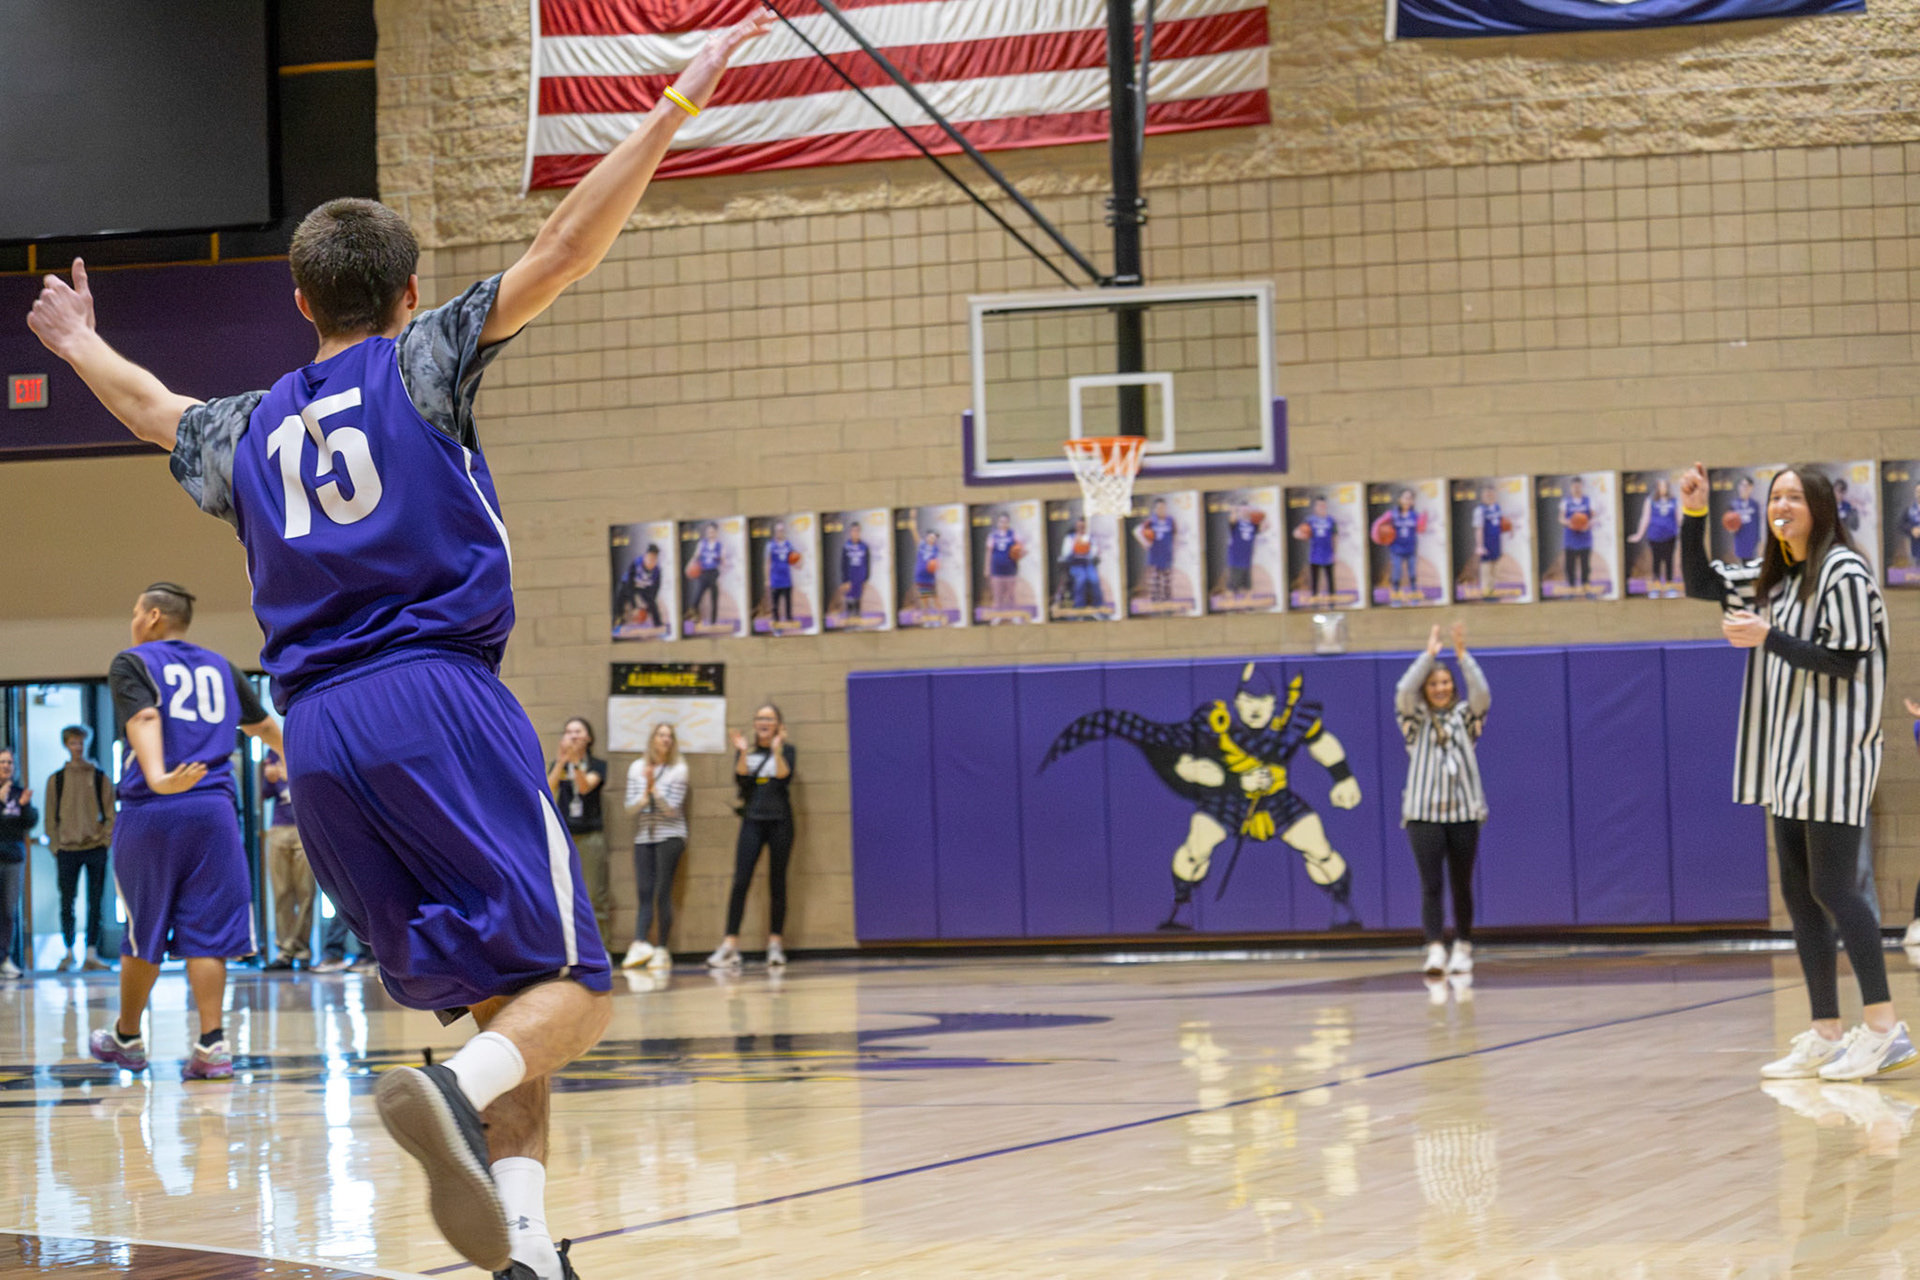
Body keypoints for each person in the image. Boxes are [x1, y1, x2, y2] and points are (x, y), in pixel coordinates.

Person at [26, 15, 773, 1275]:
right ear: (411, 293)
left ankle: (528, 1246)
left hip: (313, 735)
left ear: (300, 298)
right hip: (436, 695)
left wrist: (73, 338)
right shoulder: (423, 359)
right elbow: (563, 247)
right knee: (576, 987)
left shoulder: (247, 426)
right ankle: (450, 1089)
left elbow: (152, 407)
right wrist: (667, 114)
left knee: (505, 990)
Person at [1678, 461, 1913, 1082]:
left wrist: (1767, 636)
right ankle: (1827, 1032)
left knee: (1838, 890)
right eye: (1774, 496)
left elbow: (1842, 659)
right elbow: (1701, 581)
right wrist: (1695, 513)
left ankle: (1887, 1028)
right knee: (1801, 898)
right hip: (1786, 760)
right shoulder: (1772, 576)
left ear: (1818, 507)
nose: (1780, 504)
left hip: (1835, 754)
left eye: (1793, 496)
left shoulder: (1843, 569)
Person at [89, 584, 284, 1081]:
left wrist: (156, 775)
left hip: (154, 809)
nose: (133, 620)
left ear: (153, 616)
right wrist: (308, 770)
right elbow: (266, 729)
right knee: (210, 936)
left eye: (135, 611)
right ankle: (212, 1045)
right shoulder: (221, 666)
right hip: (215, 811)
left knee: (144, 929)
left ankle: (128, 1038)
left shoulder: (133, 661)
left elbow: (145, 715)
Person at [1395, 622, 1491, 976]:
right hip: (1423, 813)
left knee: (1462, 884)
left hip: (1465, 811)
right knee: (1431, 884)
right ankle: (1435, 947)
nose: (1440, 688)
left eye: (1445, 682)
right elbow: (1404, 690)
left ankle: (1463, 945)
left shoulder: (1466, 717)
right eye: (1434, 683)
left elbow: (1482, 693)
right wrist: (1429, 656)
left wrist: (1463, 656)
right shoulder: (1414, 720)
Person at [707, 705, 796, 970]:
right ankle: (730, 945)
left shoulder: (787, 750)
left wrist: (778, 749)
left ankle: (775, 944)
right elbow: (742, 781)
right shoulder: (747, 751)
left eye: (769, 718)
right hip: (753, 821)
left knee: (777, 881)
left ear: (779, 724)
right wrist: (743, 752)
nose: (763, 722)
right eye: (759, 718)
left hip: (780, 821)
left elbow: (783, 777)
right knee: (740, 880)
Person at [45, 724, 115, 972]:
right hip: (66, 849)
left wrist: (105, 840)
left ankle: (91, 953)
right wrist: (55, 844)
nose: (78, 747)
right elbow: (50, 816)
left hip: (95, 847)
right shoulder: (57, 780)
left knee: (95, 901)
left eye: (82, 742)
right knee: (67, 901)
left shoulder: (99, 777)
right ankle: (67, 951)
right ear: (67, 744)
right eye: (74, 742)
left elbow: (110, 814)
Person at [622, 722, 686, 971]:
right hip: (644, 837)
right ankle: (639, 943)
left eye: (669, 736)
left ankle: (662, 949)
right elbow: (630, 808)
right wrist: (644, 797)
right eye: (661, 735)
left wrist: (654, 790)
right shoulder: (637, 767)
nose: (665, 740)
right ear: (652, 739)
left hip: (670, 836)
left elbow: (672, 809)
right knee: (644, 892)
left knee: (663, 891)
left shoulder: (678, 769)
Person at [546, 719, 611, 960]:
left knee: (595, 894)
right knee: (563, 893)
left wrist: (575, 763)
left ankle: (601, 949)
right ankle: (569, 950)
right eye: (569, 731)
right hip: (565, 835)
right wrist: (562, 760)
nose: (573, 736)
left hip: (591, 834)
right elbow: (548, 789)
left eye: (578, 731)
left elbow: (584, 788)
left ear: (589, 738)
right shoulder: (559, 764)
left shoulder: (597, 765)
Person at [260, 747, 317, 970]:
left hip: (305, 828)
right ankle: (285, 950)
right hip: (279, 828)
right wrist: (269, 778)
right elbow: (265, 793)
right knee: (281, 893)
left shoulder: (308, 745)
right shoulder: (272, 751)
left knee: (306, 892)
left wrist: (289, 776)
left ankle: (301, 949)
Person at [0, 750, 36, 979]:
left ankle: (4, 958)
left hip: (14, 857)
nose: (6, 765)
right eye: (2, 762)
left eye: (9, 762)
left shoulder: (19, 792)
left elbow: (30, 822)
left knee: (9, 910)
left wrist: (25, 806)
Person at [1628, 476, 1679, 596]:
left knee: (1669, 561)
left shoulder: (1674, 501)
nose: (1662, 488)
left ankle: (1670, 587)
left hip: (1670, 536)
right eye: (1660, 485)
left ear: (1668, 487)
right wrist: (1639, 534)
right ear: (1657, 487)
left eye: (1664, 485)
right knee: (1656, 561)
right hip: (1654, 536)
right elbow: (1645, 518)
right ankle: (1656, 586)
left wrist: (1685, 533)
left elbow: (1679, 518)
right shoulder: (1650, 500)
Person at [1059, 515, 1104, 612]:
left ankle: (1098, 605)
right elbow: (1065, 553)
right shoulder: (1070, 538)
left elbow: (1095, 551)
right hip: (1075, 565)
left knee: (1094, 580)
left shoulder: (1090, 538)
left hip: (1088, 564)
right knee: (1081, 580)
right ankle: (1079, 605)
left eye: (1083, 526)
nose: (1081, 528)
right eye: (1080, 526)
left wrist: (1091, 554)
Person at [1138, 498, 1175, 604]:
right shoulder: (1150, 521)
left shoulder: (1170, 521)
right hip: (1155, 552)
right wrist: (1146, 543)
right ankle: (1156, 599)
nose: (1161, 509)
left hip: (1166, 552)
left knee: (1167, 577)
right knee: (1156, 577)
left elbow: (1174, 535)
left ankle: (1167, 599)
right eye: (1159, 507)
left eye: (1163, 507)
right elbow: (1137, 531)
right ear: (1155, 509)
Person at [687, 523, 724, 627]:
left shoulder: (719, 545)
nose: (710, 534)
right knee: (697, 597)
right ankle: (695, 617)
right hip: (703, 572)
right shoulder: (702, 543)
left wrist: (722, 562)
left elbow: (723, 560)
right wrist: (689, 565)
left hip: (713, 573)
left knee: (714, 597)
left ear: (716, 532)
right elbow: (696, 556)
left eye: (712, 532)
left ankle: (713, 621)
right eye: (708, 532)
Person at [1560, 477, 1593, 593]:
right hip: (1571, 537)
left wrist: (1587, 524)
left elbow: (1593, 518)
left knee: (1585, 565)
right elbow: (1561, 518)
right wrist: (1570, 523)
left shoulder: (1588, 501)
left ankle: (1585, 587)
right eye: (1574, 486)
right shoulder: (1566, 502)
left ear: (1582, 487)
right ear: (1571, 487)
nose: (1576, 488)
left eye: (1578, 486)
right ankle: (1571, 588)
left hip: (1584, 537)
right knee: (1570, 565)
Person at [985, 512, 1022, 617]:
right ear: (998, 523)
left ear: (1008, 523)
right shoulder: (993, 535)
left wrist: (1019, 554)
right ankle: (996, 616)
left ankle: (1014, 616)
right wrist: (987, 568)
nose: (1003, 523)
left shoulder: (1013, 534)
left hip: (1010, 568)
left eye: (1005, 521)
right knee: (997, 596)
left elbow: (1022, 548)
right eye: (1001, 521)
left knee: (1011, 596)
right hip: (996, 569)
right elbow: (988, 552)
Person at [618, 544, 662, 630]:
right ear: (645, 556)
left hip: (643, 586)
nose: (652, 561)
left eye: (654, 559)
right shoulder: (636, 563)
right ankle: (618, 617)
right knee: (620, 596)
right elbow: (629, 585)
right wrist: (634, 607)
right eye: (650, 558)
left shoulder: (657, 570)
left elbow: (655, 590)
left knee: (652, 603)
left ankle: (658, 624)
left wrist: (647, 609)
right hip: (629, 584)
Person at [1301, 496, 1336, 602]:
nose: (1321, 507)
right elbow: (1299, 533)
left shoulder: (1331, 520)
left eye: (1322, 505)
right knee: (1314, 579)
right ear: (1315, 507)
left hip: (1328, 552)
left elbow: (1335, 536)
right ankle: (1314, 599)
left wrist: (1335, 552)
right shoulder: (1310, 520)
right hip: (1315, 553)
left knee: (1330, 579)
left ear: (1325, 506)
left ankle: (1332, 600)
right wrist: (1302, 534)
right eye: (1318, 505)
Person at [1388, 489, 1421, 601]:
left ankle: (1414, 594)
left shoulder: (1415, 515)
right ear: (1399, 500)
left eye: (1410, 498)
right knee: (1397, 574)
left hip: (1410, 549)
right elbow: (1383, 528)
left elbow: (1421, 528)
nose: (1407, 501)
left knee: (1412, 574)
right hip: (1396, 549)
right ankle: (1396, 596)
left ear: (1412, 501)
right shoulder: (1392, 514)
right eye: (1405, 498)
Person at [1473, 484, 1504, 599]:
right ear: (1482, 496)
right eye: (1487, 494)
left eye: (1491, 493)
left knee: (1495, 571)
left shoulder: (1497, 507)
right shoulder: (1480, 510)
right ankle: (1486, 593)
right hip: (1486, 544)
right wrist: (1479, 546)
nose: (1489, 496)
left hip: (1496, 543)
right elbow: (1479, 529)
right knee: (1486, 571)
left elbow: (1500, 525)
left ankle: (1493, 592)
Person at [1223, 503, 1258, 599]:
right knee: (1232, 587)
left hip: (1247, 560)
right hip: (1236, 560)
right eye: (1242, 510)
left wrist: (1260, 516)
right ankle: (1229, 607)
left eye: (1246, 510)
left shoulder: (1253, 524)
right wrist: (1234, 510)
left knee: (1248, 587)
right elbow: (1231, 520)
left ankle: (1247, 609)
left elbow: (1265, 526)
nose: (1244, 512)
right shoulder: (1236, 523)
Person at [765, 520, 796, 627]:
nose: (780, 533)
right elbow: (767, 562)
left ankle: (789, 621)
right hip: (775, 579)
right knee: (775, 605)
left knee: (788, 603)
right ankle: (776, 624)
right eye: (778, 531)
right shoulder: (770, 545)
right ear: (775, 532)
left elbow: (794, 560)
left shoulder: (788, 545)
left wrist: (798, 562)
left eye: (782, 531)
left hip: (786, 579)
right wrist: (767, 579)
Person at [839, 521, 870, 620]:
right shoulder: (846, 546)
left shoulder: (864, 547)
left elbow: (867, 563)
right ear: (850, 532)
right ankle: (849, 617)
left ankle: (857, 616)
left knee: (858, 598)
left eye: (857, 531)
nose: (855, 533)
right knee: (849, 598)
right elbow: (843, 564)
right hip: (850, 577)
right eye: (853, 531)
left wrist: (866, 578)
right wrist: (845, 580)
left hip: (860, 577)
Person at [1728, 474, 1762, 562]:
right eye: (1742, 485)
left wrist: (1759, 541)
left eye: (1746, 485)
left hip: (1752, 540)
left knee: (1752, 565)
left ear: (1751, 487)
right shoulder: (1733, 504)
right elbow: (1729, 524)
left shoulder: (1755, 504)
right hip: (1740, 540)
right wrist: (1731, 527)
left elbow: (1758, 524)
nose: (1744, 488)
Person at [913, 526, 941, 610]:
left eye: (933, 538)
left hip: (929, 576)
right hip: (920, 575)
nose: (931, 539)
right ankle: (927, 613)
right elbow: (915, 534)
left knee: (934, 595)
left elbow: (935, 563)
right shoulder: (922, 545)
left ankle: (940, 614)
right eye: (930, 537)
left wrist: (935, 565)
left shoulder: (936, 549)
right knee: (924, 595)